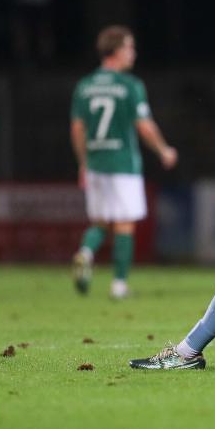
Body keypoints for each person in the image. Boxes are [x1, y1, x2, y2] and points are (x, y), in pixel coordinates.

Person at [70, 26, 178, 298]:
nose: (134, 53)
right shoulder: (129, 85)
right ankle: (119, 285)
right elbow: (144, 126)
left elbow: (77, 129)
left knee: (100, 222)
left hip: (95, 161)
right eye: (130, 47)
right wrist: (163, 149)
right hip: (122, 164)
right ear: (117, 51)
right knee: (124, 223)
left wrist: (83, 162)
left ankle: (85, 252)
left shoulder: (85, 86)